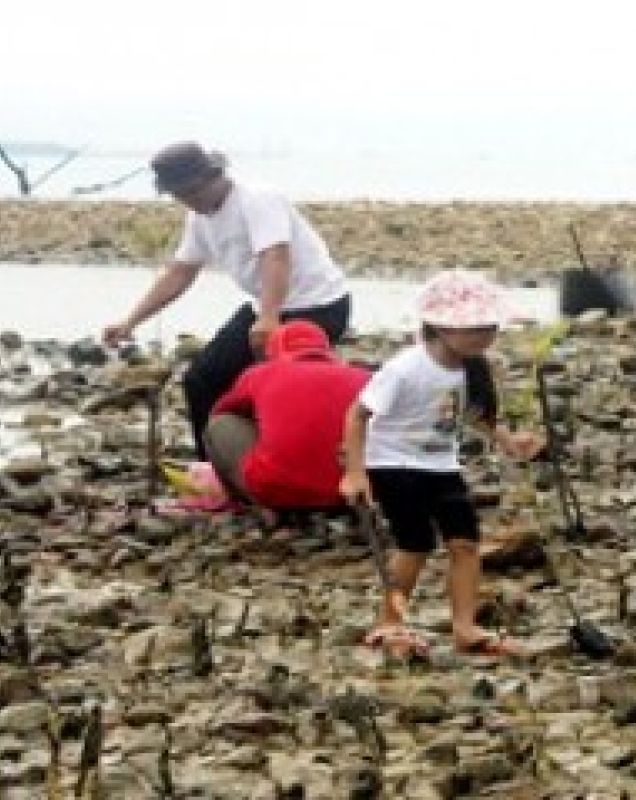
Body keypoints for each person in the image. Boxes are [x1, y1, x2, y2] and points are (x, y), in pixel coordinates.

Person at [101, 141, 351, 458]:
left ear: (212, 177)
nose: (187, 202)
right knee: (202, 379)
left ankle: (292, 459)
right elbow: (181, 272)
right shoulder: (200, 217)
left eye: (190, 192)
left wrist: (269, 318)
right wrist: (130, 321)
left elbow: (275, 255)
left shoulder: (257, 199)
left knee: (283, 389)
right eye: (179, 196)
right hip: (266, 305)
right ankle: (216, 468)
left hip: (318, 305)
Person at [339, 270, 543, 658]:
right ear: (440, 327)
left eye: (490, 328)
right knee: (415, 543)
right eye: (475, 329)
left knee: (465, 543)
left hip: (441, 464)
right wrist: (355, 473)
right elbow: (357, 415)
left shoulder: (472, 367)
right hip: (394, 462)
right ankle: (390, 620)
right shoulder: (405, 368)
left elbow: (476, 414)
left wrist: (508, 441)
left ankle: (465, 628)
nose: (485, 337)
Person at [205, 320, 369, 511]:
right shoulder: (362, 376)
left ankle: (246, 503)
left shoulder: (261, 373)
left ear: (273, 353)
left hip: (278, 492)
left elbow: (222, 410)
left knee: (219, 425)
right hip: (350, 489)